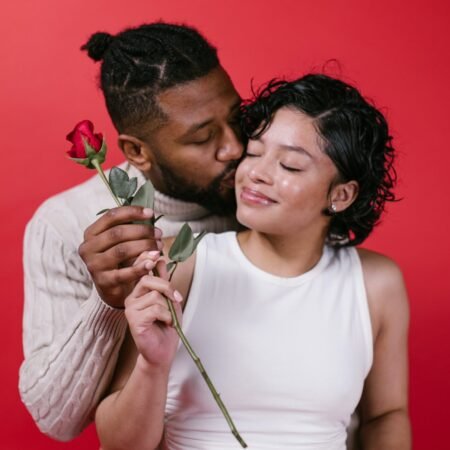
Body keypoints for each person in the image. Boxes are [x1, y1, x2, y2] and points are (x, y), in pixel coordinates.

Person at [95, 74, 411, 449]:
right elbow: (118, 445)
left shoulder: (376, 283)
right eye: (255, 152)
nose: (255, 174)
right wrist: (153, 364)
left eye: (290, 166)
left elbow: (385, 414)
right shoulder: (177, 265)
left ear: (341, 194)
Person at [19, 22, 243, 441]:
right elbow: (56, 422)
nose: (234, 147)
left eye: (237, 118)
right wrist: (108, 304)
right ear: (138, 151)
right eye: (203, 138)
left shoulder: (262, 197)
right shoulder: (65, 223)